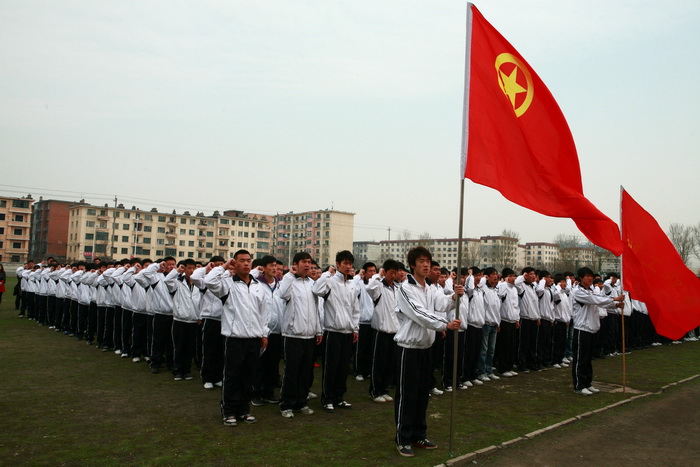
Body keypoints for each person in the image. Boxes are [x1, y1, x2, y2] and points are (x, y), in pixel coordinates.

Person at [394, 246, 463, 457]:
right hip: (409, 348)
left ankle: (418, 435)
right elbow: (419, 314)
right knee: (407, 394)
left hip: (426, 347)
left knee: (423, 394)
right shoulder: (405, 288)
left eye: (428, 261)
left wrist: (454, 298)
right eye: (421, 261)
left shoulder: (430, 288)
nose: (426, 265)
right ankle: (403, 438)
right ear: (412, 265)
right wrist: (445, 325)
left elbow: (441, 304)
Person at [205, 250, 269, 426]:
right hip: (234, 338)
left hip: (253, 338)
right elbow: (209, 281)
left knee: (248, 377)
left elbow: (263, 313)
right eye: (242, 260)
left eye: (248, 260)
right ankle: (229, 410)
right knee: (232, 376)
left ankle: (244, 409)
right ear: (235, 263)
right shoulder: (227, 284)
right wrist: (224, 267)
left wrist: (264, 334)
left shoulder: (257, 286)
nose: (246, 264)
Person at [312, 250, 361, 412]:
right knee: (331, 367)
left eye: (350, 263)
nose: (348, 266)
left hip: (347, 332)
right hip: (332, 331)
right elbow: (316, 289)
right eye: (345, 263)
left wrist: (355, 328)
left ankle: (339, 397)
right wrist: (327, 274)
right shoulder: (330, 282)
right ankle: (327, 398)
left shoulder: (352, 285)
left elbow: (355, 309)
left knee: (343, 367)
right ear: (338, 264)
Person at [278, 252, 321, 419]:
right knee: (292, 371)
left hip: (309, 335)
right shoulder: (289, 281)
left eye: (309, 262)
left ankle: (301, 402)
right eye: (304, 262)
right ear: (296, 264)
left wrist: (318, 330)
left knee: (305, 372)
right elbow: (283, 294)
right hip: (293, 334)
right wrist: (290, 275)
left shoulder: (312, 284)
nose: (307, 265)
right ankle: (286, 404)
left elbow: (316, 309)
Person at [571, 267, 625, 395]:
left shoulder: (590, 291)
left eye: (591, 276)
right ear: (581, 278)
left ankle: (587, 383)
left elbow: (601, 301)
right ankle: (579, 385)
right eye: (587, 276)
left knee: (588, 359)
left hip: (592, 328)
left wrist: (615, 305)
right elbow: (594, 300)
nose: (590, 278)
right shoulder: (578, 291)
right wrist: (614, 299)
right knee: (581, 358)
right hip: (582, 329)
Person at [366, 260, 400, 403]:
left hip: (394, 331)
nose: (393, 276)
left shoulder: (397, 288)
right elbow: (369, 288)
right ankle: (375, 391)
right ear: (385, 272)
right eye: (391, 273)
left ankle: (384, 389)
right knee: (378, 363)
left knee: (389, 363)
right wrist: (378, 275)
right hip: (381, 331)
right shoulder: (379, 286)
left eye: (395, 273)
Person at [165, 259, 199, 381]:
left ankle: (187, 370)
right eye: (189, 268)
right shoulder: (178, 282)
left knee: (190, 348)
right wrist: (177, 271)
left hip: (193, 321)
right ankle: (178, 370)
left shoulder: (198, 284)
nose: (191, 271)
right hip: (180, 320)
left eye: (193, 268)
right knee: (179, 347)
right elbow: (167, 280)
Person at [495, 268, 519, 377]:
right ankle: (503, 368)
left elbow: (516, 305)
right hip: (504, 320)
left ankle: (509, 367)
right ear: (505, 277)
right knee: (504, 346)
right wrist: (504, 282)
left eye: (514, 276)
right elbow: (499, 298)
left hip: (513, 320)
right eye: (510, 276)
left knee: (511, 346)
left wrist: (517, 319)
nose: (513, 278)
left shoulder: (514, 289)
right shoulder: (502, 286)